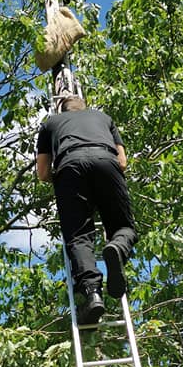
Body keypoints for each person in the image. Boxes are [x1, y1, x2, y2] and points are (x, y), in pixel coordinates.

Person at [36, 93, 137, 325]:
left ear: (61, 110)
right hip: (106, 161)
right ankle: (117, 246)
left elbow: (42, 173)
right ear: (84, 107)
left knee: (79, 236)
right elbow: (122, 162)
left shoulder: (50, 124)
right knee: (123, 226)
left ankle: (92, 295)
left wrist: (64, 179)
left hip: (69, 166)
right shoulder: (104, 118)